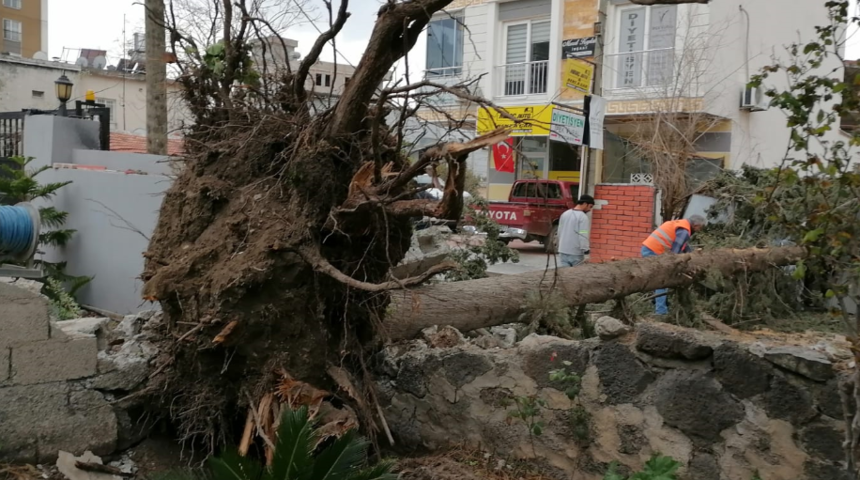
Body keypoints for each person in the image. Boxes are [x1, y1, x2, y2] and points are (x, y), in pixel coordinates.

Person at [640, 215, 707, 315]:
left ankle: (656, 301)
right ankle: (661, 312)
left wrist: (692, 256)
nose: (699, 230)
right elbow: (675, 252)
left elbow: (684, 246)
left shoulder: (680, 225)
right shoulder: (684, 231)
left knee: (657, 279)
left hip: (649, 249)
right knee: (662, 281)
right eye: (699, 228)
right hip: (653, 252)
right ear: (695, 225)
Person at [557, 195, 595, 267]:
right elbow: (583, 235)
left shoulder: (565, 214)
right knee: (576, 276)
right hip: (576, 253)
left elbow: (559, 231)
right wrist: (586, 250)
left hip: (562, 251)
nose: (590, 209)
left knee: (565, 275)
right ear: (584, 204)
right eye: (590, 206)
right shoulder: (583, 217)